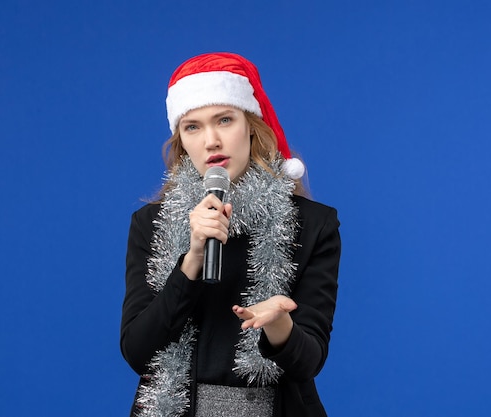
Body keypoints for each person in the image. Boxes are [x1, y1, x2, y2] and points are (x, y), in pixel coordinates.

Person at [120, 52, 341, 417]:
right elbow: (138, 352)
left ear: (250, 125)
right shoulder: (151, 223)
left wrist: (280, 325)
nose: (211, 141)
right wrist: (190, 262)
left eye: (224, 120)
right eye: (193, 126)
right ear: (182, 141)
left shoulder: (314, 224)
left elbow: (309, 362)